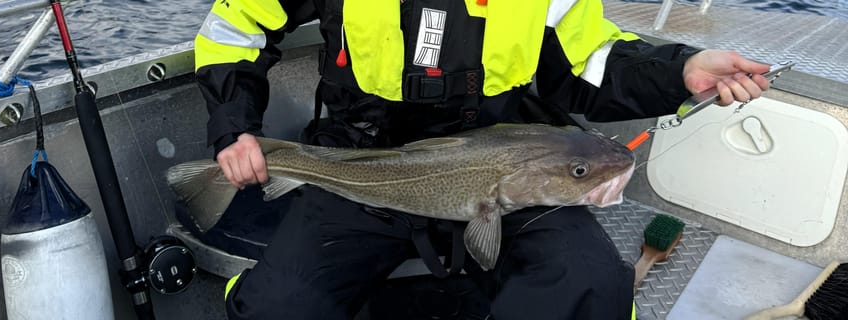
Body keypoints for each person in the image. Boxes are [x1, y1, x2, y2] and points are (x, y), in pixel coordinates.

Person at [192, 0, 770, 319]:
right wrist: (234, 128)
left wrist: (680, 70)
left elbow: (591, 59)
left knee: (589, 287)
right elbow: (235, 24)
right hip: (364, 165)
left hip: (510, 158)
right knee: (281, 308)